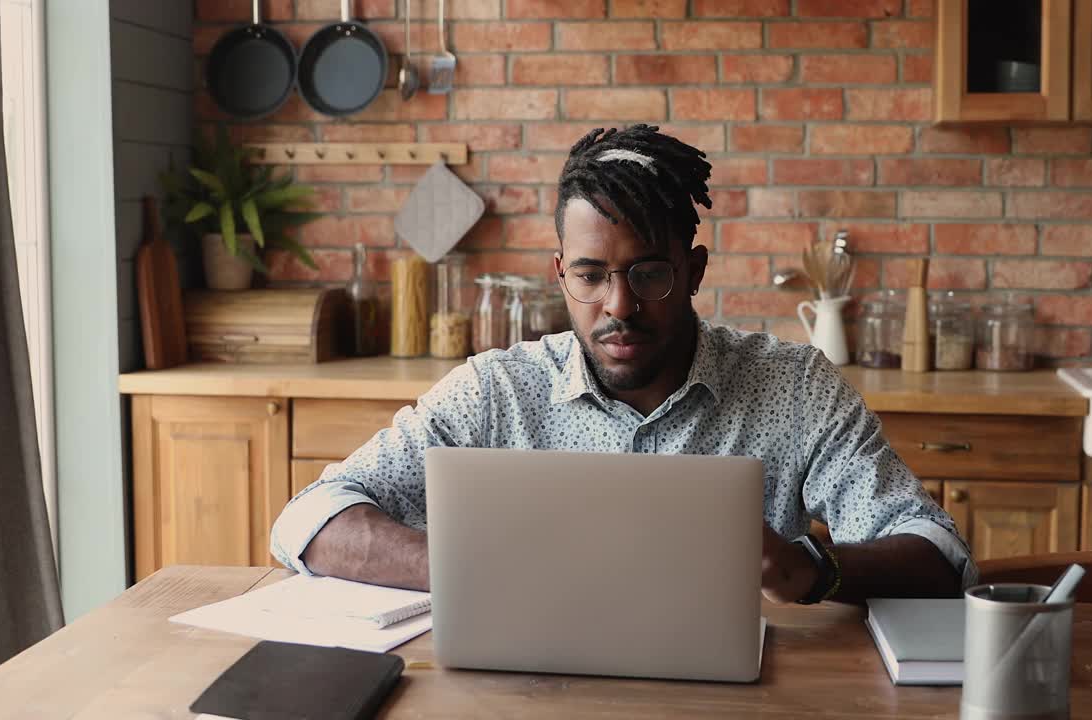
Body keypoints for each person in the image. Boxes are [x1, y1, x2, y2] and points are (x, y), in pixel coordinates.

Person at [271, 125, 975, 605]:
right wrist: (463, 567)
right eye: (590, 276)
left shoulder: (792, 388)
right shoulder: (496, 391)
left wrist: (811, 567)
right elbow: (307, 521)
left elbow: (940, 554)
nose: (619, 307)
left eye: (648, 275)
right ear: (560, 274)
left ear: (692, 269)